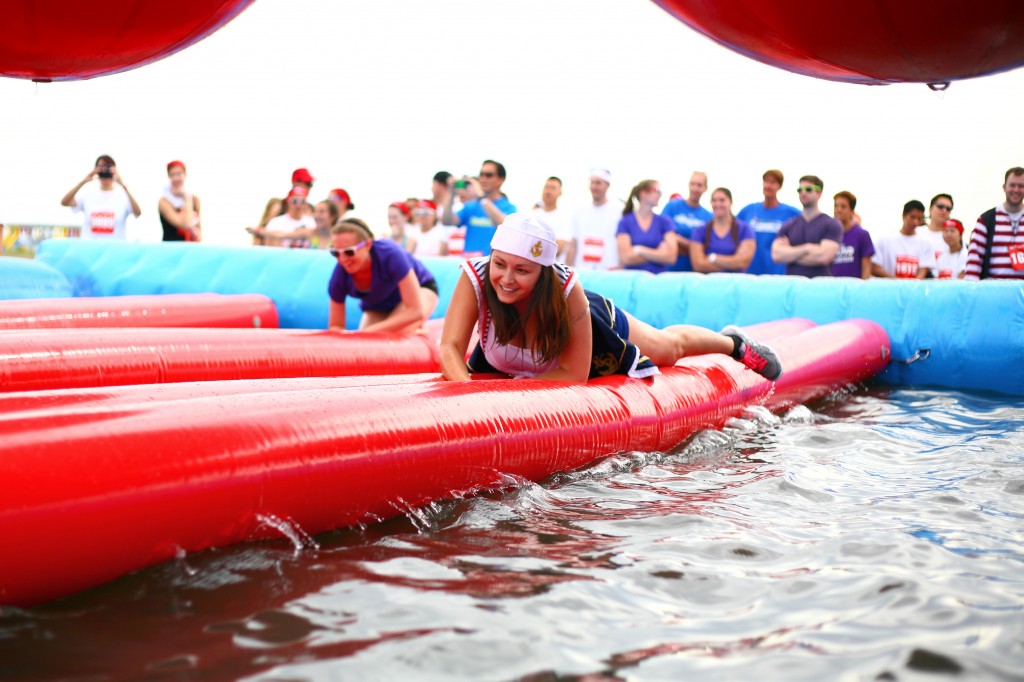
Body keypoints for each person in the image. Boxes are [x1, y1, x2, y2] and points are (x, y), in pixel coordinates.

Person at [439, 214, 782, 383]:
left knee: (667, 350)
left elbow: (573, 375)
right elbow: (451, 348)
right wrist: (466, 394)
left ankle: (732, 343)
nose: (507, 279)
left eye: (522, 271)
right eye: (500, 264)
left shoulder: (565, 290)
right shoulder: (479, 277)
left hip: (593, 321)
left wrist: (507, 397)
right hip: (519, 368)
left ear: (543, 273)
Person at [327, 217, 439, 333]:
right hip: (380, 304)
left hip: (421, 289)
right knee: (366, 346)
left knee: (398, 333)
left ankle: (421, 329)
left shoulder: (390, 254)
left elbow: (415, 311)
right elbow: (336, 325)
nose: (343, 259)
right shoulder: (340, 275)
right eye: (335, 252)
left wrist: (366, 333)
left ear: (368, 245)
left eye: (349, 252)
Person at [770, 175, 843, 277]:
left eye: (808, 189)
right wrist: (807, 248)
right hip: (794, 288)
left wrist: (790, 254)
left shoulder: (832, 224)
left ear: (819, 193)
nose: (803, 192)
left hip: (821, 288)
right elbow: (776, 255)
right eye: (800, 190)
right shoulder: (788, 226)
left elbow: (823, 257)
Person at [442, 160, 517, 256]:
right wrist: (451, 194)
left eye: (488, 175)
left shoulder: (509, 208)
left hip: (491, 266)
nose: (483, 179)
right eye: (481, 175)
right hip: (469, 266)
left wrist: (481, 197)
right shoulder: (471, 205)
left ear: (501, 180)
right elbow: (447, 221)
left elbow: (505, 226)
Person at [60, 154, 142, 240]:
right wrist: (83, 181)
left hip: (114, 249)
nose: (105, 170)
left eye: (108, 166)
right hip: (90, 249)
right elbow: (65, 202)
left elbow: (138, 213)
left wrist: (123, 185)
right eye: (101, 167)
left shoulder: (123, 195)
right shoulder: (87, 193)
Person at [737, 169, 801, 275]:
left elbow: (809, 225)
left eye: (772, 182)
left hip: (778, 274)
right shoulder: (749, 210)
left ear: (779, 186)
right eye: (766, 181)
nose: (768, 186)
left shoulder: (790, 213)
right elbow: (731, 230)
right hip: (750, 274)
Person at [965, 167, 1024, 281]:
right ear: (1004, 187)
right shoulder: (986, 220)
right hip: (993, 291)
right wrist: (971, 290)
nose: (1016, 190)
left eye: (1021, 186)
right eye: (1012, 185)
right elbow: (974, 260)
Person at [616, 179, 677, 274]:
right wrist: (658, 253)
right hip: (632, 281)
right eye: (657, 191)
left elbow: (671, 257)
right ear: (643, 193)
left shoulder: (665, 221)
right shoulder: (625, 222)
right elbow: (625, 258)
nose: (660, 195)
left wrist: (639, 250)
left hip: (657, 280)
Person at [689, 188, 755, 273]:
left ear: (730, 202)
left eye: (722, 200)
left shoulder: (745, 229)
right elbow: (698, 265)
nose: (718, 204)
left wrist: (713, 258)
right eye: (714, 200)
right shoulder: (700, 231)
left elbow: (743, 262)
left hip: (735, 285)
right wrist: (732, 264)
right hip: (708, 284)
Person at [571, 168, 623, 271]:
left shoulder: (619, 210)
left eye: (598, 183)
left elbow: (623, 242)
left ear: (607, 185)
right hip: (582, 271)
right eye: (592, 183)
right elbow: (573, 243)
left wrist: (620, 267)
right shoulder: (579, 210)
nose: (594, 187)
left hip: (608, 271)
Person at [870, 200, 935, 279]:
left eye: (919, 218)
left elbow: (923, 270)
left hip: (914, 290)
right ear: (904, 215)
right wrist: (897, 282)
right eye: (912, 217)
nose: (915, 222)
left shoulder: (926, 244)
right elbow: (874, 267)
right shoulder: (884, 241)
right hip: (890, 289)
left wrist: (911, 287)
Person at [662, 171, 712, 272]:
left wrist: (678, 241)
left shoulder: (709, 216)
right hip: (669, 269)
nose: (695, 188)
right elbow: (662, 233)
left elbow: (708, 247)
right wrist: (694, 247)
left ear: (705, 188)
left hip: (694, 273)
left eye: (699, 185)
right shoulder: (672, 206)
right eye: (692, 184)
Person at [251, 199, 338, 249]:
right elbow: (281, 234)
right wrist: (259, 231)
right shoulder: (309, 233)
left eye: (321, 212)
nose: (316, 216)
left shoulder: (338, 237)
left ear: (332, 216)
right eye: (316, 211)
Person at [249, 186, 316, 247]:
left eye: (302, 201)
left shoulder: (312, 222)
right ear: (288, 201)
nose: (298, 205)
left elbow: (316, 243)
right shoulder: (276, 222)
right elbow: (269, 245)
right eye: (295, 201)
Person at [830, 190, 875, 279]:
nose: (838, 209)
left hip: (854, 289)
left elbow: (866, 267)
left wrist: (863, 288)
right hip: (833, 288)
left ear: (852, 211)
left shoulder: (862, 235)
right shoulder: (829, 234)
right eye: (836, 206)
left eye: (843, 207)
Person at [531, 176, 574, 262]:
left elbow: (558, 248)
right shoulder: (533, 215)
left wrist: (532, 249)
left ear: (560, 192)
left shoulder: (564, 217)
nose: (548, 191)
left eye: (553, 188)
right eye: (546, 187)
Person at [158, 160, 201, 242]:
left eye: (179, 174)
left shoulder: (195, 199)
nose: (176, 178)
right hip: (171, 249)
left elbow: (200, 230)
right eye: (172, 175)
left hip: (191, 249)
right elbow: (186, 224)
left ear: (185, 174)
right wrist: (186, 198)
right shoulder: (164, 201)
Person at [918, 194, 954, 261]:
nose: (944, 210)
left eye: (948, 209)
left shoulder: (953, 239)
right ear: (930, 209)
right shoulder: (916, 233)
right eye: (940, 206)